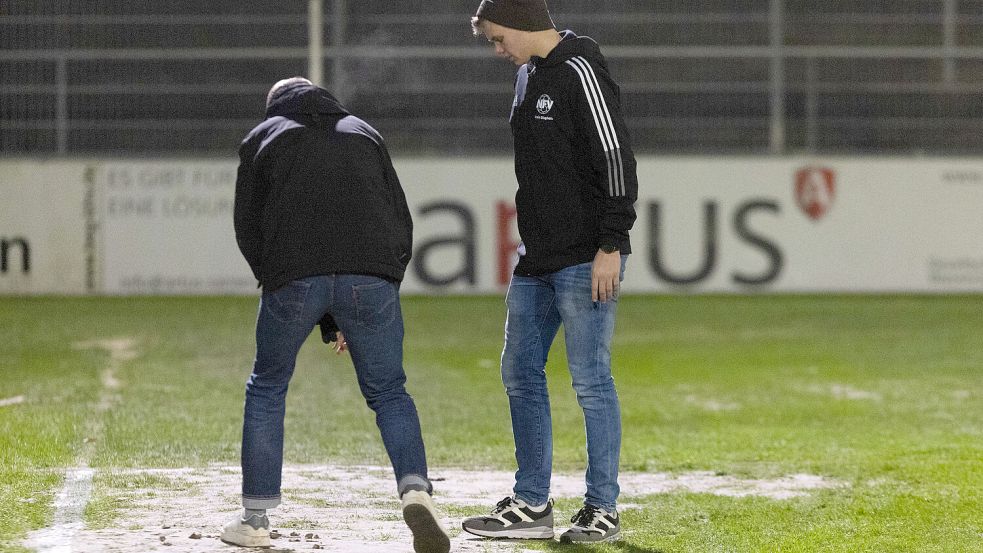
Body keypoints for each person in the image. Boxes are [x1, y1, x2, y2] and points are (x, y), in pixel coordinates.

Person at [223, 77, 450, 553]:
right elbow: (400, 219)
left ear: (275, 107)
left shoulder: (264, 137)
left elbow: (248, 226)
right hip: (371, 277)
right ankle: (415, 488)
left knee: (267, 388)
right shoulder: (365, 133)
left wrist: (273, 276)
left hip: (292, 276)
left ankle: (256, 519)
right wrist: (380, 283)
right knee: (390, 392)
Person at [462, 0, 638, 545]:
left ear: (518, 23)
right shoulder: (525, 79)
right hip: (536, 259)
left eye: (497, 38)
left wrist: (613, 242)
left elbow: (614, 156)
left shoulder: (581, 67)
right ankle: (532, 502)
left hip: (587, 255)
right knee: (519, 372)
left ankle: (601, 509)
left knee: (589, 381)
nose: (497, 49)